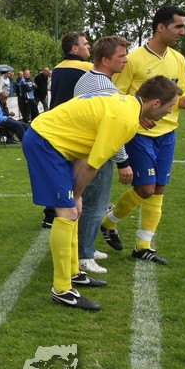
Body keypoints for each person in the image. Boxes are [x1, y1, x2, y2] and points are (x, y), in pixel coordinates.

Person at [22, 75, 180, 311]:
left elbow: (85, 146)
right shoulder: (124, 119)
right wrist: (76, 194)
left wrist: (77, 195)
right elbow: (91, 166)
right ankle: (62, 290)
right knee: (67, 212)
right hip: (45, 142)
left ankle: (73, 273)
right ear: (156, 103)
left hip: (51, 138)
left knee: (74, 211)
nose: (169, 112)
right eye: (170, 106)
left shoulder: (124, 105)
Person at [101, 5, 185, 266]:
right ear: (161, 27)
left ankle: (143, 246)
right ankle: (108, 222)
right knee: (145, 188)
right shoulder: (133, 59)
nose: (183, 31)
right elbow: (117, 96)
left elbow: (181, 94)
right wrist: (137, 115)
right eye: (178, 26)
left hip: (168, 133)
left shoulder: (178, 59)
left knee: (159, 189)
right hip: (140, 133)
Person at [73, 36, 134, 275]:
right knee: (95, 205)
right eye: (121, 56)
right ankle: (84, 255)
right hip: (96, 152)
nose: (126, 60)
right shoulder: (105, 87)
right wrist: (123, 162)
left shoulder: (87, 78)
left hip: (85, 149)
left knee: (89, 203)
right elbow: (111, 130)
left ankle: (86, 247)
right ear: (106, 60)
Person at [41, 32, 94, 229]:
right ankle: (74, 206)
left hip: (55, 124)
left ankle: (50, 214)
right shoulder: (86, 68)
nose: (89, 46)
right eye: (86, 44)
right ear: (75, 48)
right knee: (76, 171)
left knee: (57, 171)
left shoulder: (57, 68)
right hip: (74, 126)